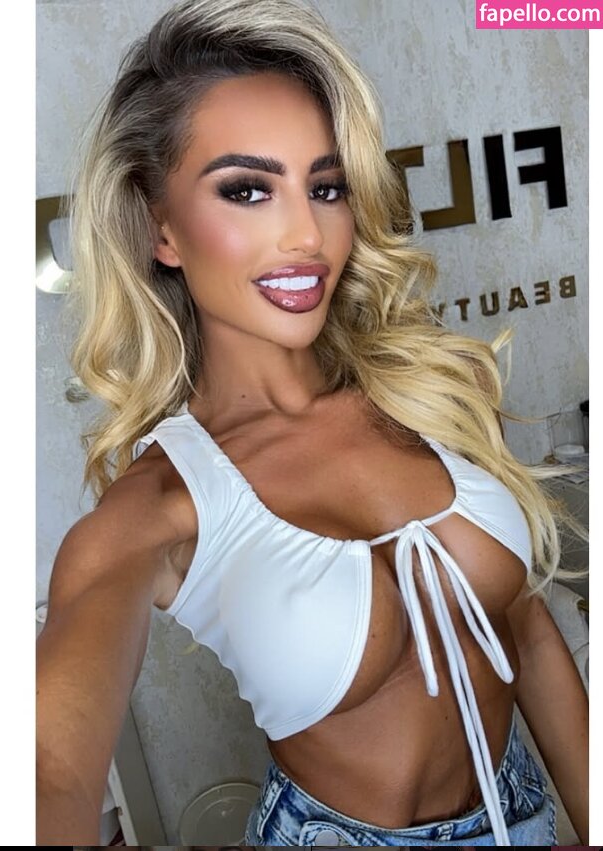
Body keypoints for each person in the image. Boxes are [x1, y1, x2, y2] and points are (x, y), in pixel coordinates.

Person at [36, 0, 588, 846]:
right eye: (247, 190)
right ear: (161, 227)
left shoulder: (438, 388)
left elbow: (525, 625)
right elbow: (50, 770)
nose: (306, 234)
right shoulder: (159, 508)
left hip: (523, 814)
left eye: (325, 187)